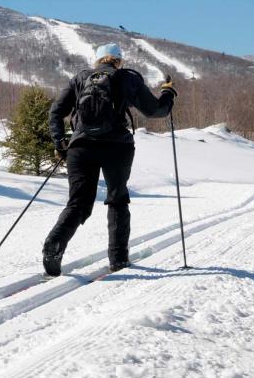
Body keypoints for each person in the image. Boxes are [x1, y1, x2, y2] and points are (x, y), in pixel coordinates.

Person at [42, 43, 176, 276]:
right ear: (118, 60)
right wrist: (167, 92)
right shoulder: (127, 78)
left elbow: (55, 112)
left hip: (80, 147)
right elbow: (156, 111)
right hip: (117, 147)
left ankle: (54, 244)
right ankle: (118, 260)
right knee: (117, 200)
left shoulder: (80, 78)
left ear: (98, 60)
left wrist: (60, 142)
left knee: (78, 203)